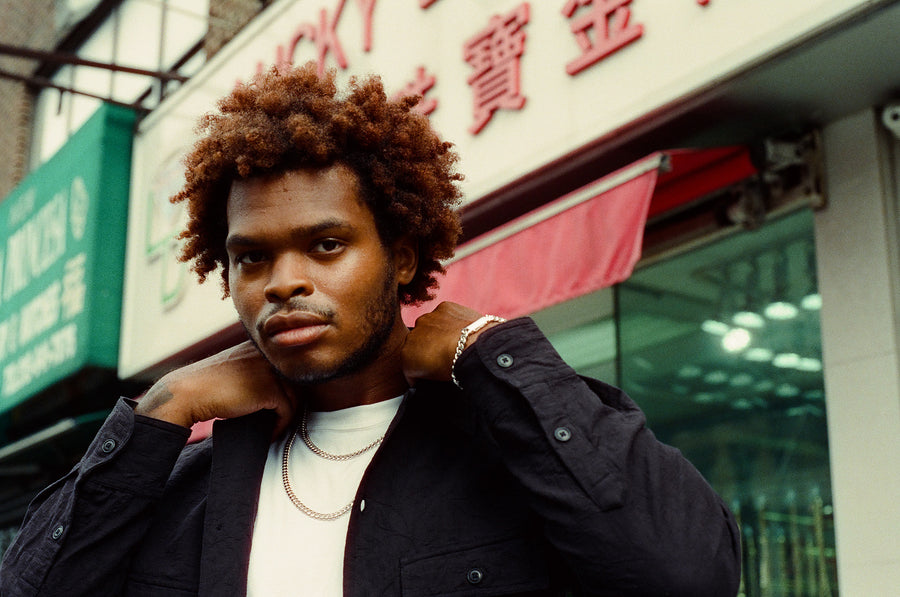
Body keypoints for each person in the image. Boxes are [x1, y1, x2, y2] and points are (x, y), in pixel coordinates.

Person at [0, 62, 740, 597]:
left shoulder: (511, 457)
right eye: (251, 256)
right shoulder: (186, 483)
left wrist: (486, 349)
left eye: (325, 245)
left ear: (403, 254)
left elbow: (686, 573)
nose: (283, 280)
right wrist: (161, 409)